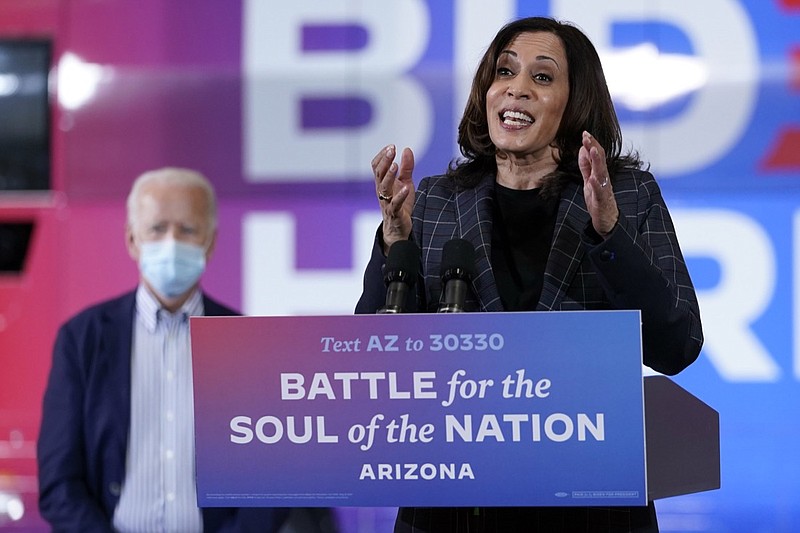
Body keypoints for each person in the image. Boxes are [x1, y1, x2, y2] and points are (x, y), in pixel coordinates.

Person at [356, 16, 703, 533]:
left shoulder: (626, 196)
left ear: (575, 101)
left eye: (542, 77)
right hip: (452, 510)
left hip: (591, 508)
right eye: (504, 71)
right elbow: (372, 360)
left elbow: (676, 347)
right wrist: (394, 242)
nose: (517, 88)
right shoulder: (434, 201)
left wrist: (609, 231)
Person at [37, 168, 289, 532]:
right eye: (157, 228)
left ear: (211, 242)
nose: (171, 242)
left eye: (187, 229)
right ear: (131, 240)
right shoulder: (81, 339)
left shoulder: (249, 342)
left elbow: (272, 480)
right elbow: (59, 481)